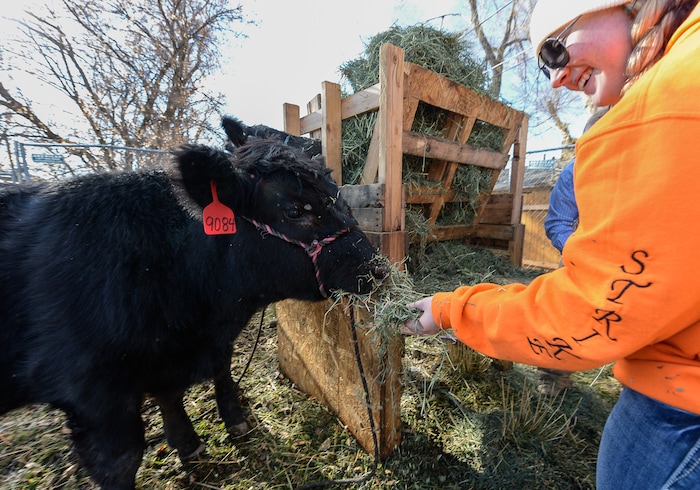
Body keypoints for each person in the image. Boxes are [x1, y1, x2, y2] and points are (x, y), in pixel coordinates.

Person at [403, 1, 700, 488]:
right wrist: (582, 253)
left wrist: (450, 310)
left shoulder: (665, 99)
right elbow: (568, 230)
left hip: (682, 412)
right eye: (544, 68)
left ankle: (550, 385)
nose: (555, 79)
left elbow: (592, 308)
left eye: (556, 50)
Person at [537, 107, 609, 396]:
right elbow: (558, 223)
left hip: (637, 258)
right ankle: (553, 379)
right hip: (582, 256)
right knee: (562, 313)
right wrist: (583, 256)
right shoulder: (574, 173)